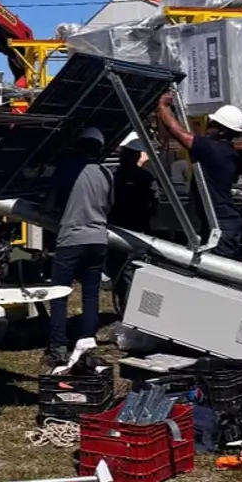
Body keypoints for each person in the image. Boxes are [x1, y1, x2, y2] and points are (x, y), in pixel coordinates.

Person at [43, 127, 113, 368]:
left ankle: (58, 348)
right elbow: (107, 207)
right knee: (91, 295)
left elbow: (49, 205)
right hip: (98, 239)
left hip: (71, 239)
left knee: (60, 295)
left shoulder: (67, 169)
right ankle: (87, 343)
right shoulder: (106, 173)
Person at [156, 94, 242, 259]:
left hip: (220, 226)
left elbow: (178, 132)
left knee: (218, 275)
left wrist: (163, 107)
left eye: (212, 124)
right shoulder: (228, 152)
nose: (208, 127)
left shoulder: (213, 149)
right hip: (219, 223)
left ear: (221, 130)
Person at [107, 133, 158, 313]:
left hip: (119, 230)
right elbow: (154, 205)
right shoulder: (145, 178)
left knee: (123, 272)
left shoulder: (113, 178)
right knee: (132, 271)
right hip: (136, 231)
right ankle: (132, 310)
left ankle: (128, 309)